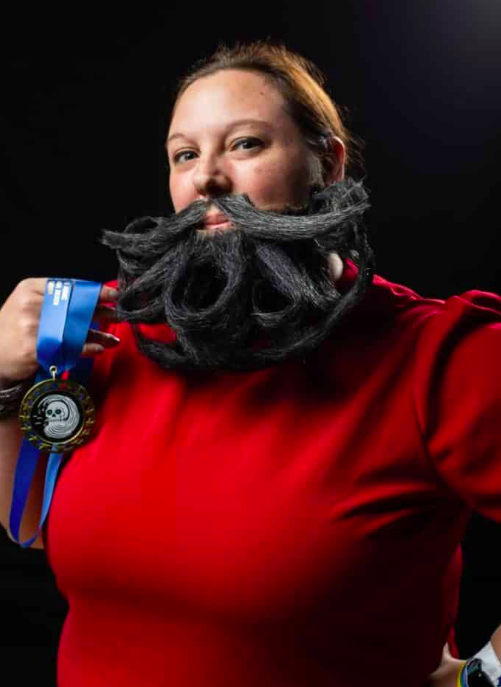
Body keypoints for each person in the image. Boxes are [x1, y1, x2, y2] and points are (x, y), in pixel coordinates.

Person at [0, 40, 501, 687]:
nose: (207, 178)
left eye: (244, 144)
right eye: (185, 154)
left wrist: (483, 676)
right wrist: (5, 380)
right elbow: (30, 522)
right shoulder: (108, 330)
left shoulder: (432, 353)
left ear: (328, 163)